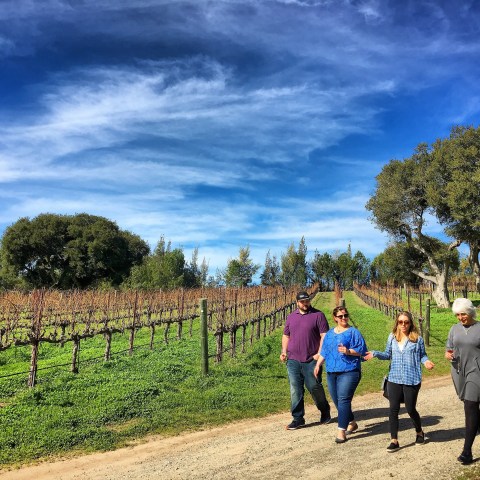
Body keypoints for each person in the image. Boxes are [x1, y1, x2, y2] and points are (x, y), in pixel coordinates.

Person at [364, 311, 434, 452]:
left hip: (411, 379)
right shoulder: (392, 337)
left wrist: (426, 362)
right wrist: (376, 353)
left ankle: (419, 432)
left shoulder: (417, 339)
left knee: (410, 409)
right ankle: (394, 440)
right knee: (393, 409)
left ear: (410, 323)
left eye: (406, 322)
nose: (403, 325)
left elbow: (423, 355)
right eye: (400, 322)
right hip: (394, 378)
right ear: (397, 323)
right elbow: (388, 354)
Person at [314, 305, 367, 443]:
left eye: (345, 315)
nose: (344, 318)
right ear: (335, 318)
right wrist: (318, 364)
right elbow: (324, 351)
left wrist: (348, 351)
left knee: (343, 399)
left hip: (349, 371)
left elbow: (362, 350)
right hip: (331, 371)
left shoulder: (353, 332)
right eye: (340, 316)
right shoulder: (330, 334)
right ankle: (352, 422)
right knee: (338, 401)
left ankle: (341, 431)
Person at [280, 291, 331, 430]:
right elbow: (286, 335)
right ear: (297, 302)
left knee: (314, 387)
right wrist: (284, 351)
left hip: (311, 359)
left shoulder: (318, 315)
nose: (305, 304)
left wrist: (319, 353)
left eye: (307, 301)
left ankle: (325, 410)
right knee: (295, 389)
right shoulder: (291, 317)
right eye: (302, 302)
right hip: (293, 360)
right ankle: (298, 418)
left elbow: (324, 335)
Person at [445, 298, 480, 465]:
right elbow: (449, 348)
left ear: (470, 312)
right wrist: (448, 354)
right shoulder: (454, 329)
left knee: (470, 405)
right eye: (457, 314)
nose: (460, 317)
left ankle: (467, 451)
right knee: (470, 405)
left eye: (463, 314)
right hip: (459, 371)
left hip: (476, 371)